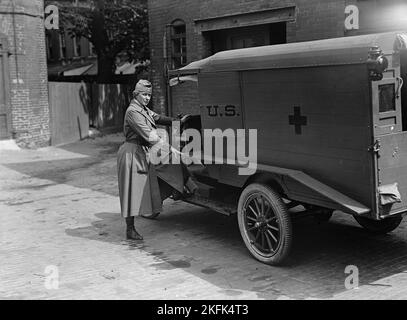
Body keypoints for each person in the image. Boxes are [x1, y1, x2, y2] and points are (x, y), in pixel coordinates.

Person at [117, 79, 196, 240]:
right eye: (144, 95)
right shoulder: (133, 112)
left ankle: (181, 188)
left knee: (169, 166)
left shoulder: (143, 109)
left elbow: (158, 117)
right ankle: (130, 229)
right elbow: (151, 136)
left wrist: (176, 121)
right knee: (133, 190)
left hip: (144, 150)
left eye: (149, 95)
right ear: (135, 95)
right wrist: (171, 148)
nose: (147, 98)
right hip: (132, 153)